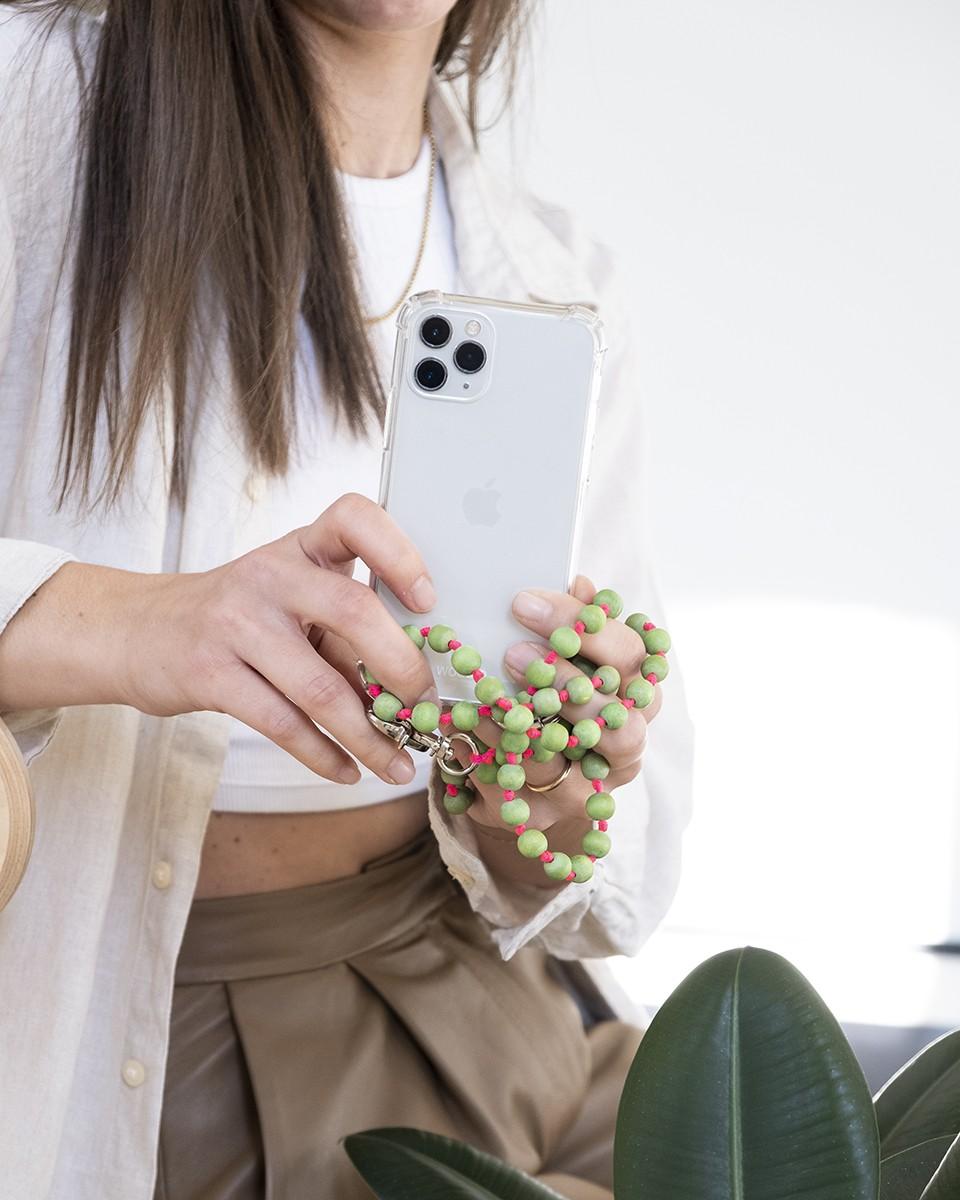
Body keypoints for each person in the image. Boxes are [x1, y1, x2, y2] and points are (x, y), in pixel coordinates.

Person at [0, 2, 696, 1197]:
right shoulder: (29, 104)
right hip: (159, 1020)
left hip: (493, 1000)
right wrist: (139, 623)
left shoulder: (553, 276)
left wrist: (544, 796)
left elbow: (594, 884)